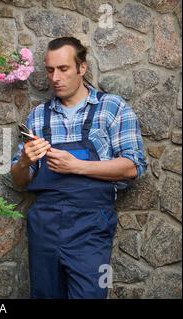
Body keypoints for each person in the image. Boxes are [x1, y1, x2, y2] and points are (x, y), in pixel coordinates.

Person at [10, 37, 147, 299]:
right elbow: (19, 180)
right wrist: (25, 162)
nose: (55, 77)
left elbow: (133, 166)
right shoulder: (38, 117)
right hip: (44, 226)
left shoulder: (112, 108)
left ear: (81, 68)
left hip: (91, 226)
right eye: (50, 70)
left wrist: (77, 166)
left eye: (63, 69)